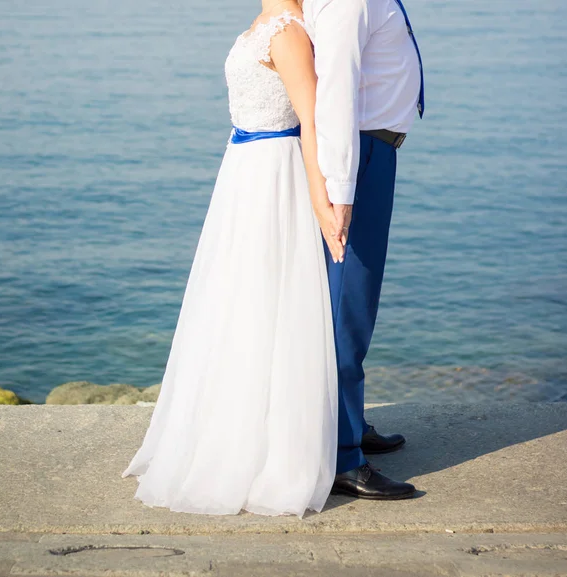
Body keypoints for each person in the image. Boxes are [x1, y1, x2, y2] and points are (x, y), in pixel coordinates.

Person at [121, 0, 344, 518]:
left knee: (267, 302)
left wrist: (319, 197)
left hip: (274, 176)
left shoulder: (289, 32)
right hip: (242, 172)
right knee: (233, 302)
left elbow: (312, 121)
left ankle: (270, 444)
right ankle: (228, 424)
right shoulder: (261, 26)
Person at [302, 0, 425, 500]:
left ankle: (349, 421)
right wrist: (342, 188)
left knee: (354, 303)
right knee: (347, 306)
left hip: (371, 150)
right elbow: (334, 90)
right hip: (359, 154)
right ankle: (341, 455)